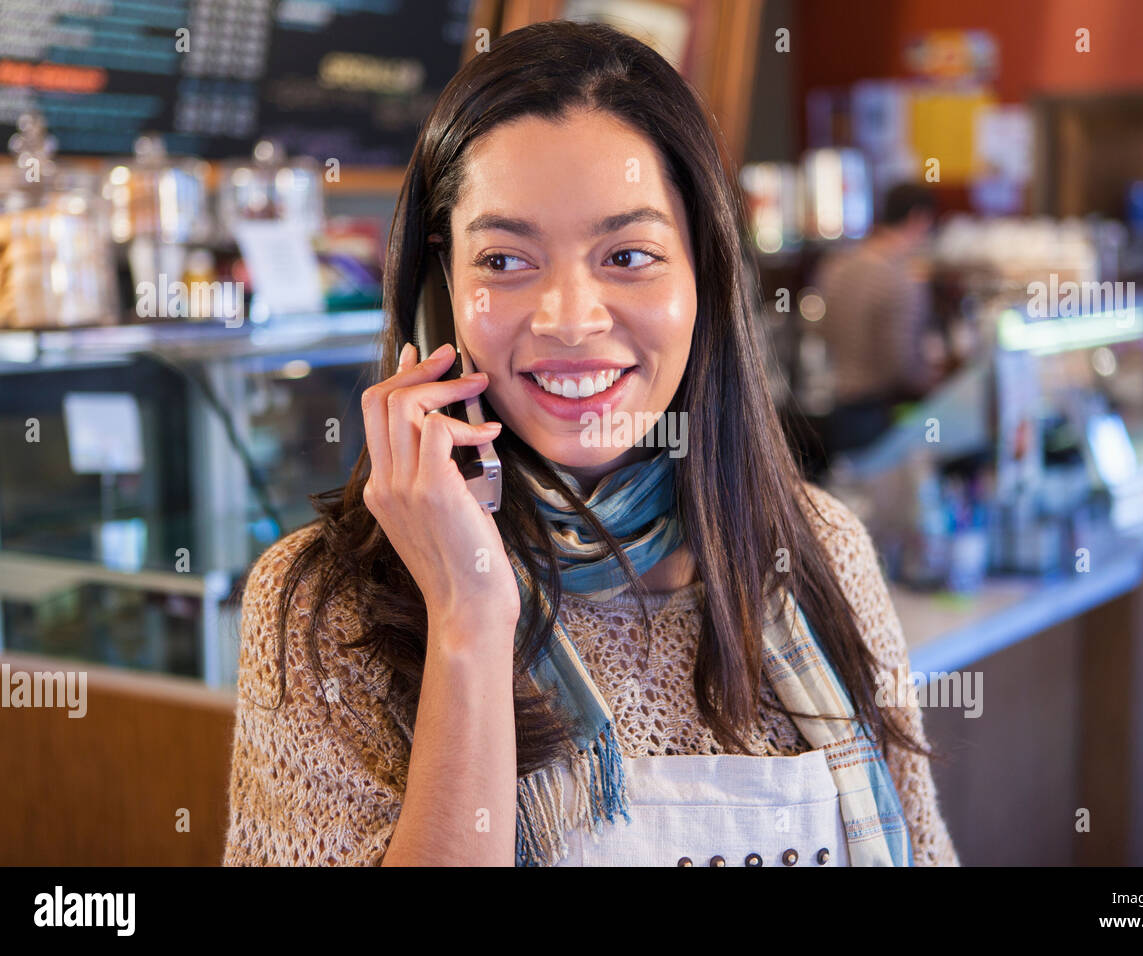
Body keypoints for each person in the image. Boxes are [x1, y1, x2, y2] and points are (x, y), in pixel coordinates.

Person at [221, 20, 958, 867]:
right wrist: (467, 616)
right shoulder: (324, 606)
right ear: (439, 295)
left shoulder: (814, 546)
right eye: (503, 261)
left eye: (628, 254)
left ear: (704, 280)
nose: (570, 319)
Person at [814, 182, 942, 459]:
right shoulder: (901, 278)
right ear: (917, 218)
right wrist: (939, 383)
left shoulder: (836, 265)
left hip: (838, 410)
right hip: (879, 417)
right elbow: (901, 365)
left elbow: (820, 329)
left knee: (846, 495)